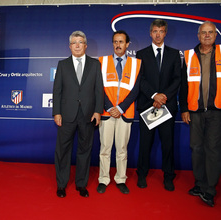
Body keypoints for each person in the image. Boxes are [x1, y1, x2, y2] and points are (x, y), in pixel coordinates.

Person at [53, 30, 104, 198]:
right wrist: (57, 112)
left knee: (85, 150)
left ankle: (81, 184)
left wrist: (98, 111)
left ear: (85, 45)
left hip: (88, 115)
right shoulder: (62, 65)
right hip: (66, 115)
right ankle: (61, 184)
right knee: (63, 151)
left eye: (80, 42)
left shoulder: (95, 64)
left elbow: (98, 90)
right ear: (69, 46)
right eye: (74, 42)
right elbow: (57, 91)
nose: (77, 45)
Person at [136, 19, 181, 191]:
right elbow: (140, 79)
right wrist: (155, 95)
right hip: (147, 105)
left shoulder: (174, 54)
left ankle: (168, 176)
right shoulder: (141, 54)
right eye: (155, 31)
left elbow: (177, 79)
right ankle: (142, 174)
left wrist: (163, 97)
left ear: (165, 33)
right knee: (145, 144)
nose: (158, 34)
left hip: (167, 107)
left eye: (161, 31)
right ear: (150, 33)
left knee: (168, 145)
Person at [179, 21, 221, 207]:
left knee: (212, 150)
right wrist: (184, 109)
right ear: (198, 35)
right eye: (203, 32)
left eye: (210, 32)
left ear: (215, 35)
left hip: (216, 111)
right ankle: (199, 183)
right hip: (195, 112)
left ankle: (210, 189)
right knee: (196, 148)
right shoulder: (188, 56)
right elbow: (183, 86)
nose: (206, 35)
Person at [97, 30, 141, 194]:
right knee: (105, 149)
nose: (118, 45)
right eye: (115, 42)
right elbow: (98, 88)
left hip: (125, 113)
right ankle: (103, 179)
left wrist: (121, 108)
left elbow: (136, 90)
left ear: (127, 44)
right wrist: (109, 107)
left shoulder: (137, 64)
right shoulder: (102, 61)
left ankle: (121, 179)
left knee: (122, 149)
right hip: (106, 112)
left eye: (121, 42)